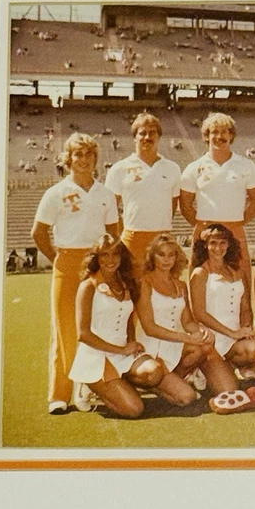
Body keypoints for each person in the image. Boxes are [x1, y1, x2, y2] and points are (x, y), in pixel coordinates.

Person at [32, 133, 119, 414]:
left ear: (96, 159)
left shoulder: (105, 194)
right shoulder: (55, 193)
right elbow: (38, 232)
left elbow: (114, 233)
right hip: (67, 263)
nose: (83, 160)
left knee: (97, 328)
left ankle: (89, 387)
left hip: (97, 265)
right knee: (65, 329)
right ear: (68, 159)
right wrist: (59, 258)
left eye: (89, 155)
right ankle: (59, 394)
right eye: (77, 155)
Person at [67, 235, 167, 418]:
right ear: (96, 257)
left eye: (115, 254)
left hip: (123, 352)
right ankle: (87, 384)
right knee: (135, 409)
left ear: (122, 257)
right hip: (96, 356)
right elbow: (83, 334)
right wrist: (121, 350)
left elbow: (128, 319)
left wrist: (131, 342)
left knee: (154, 373)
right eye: (104, 254)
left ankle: (119, 382)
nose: (110, 260)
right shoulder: (88, 286)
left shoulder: (125, 283)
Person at [136, 233, 234, 398]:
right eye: (161, 255)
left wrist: (202, 331)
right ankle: (150, 384)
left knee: (204, 346)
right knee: (187, 398)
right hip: (151, 346)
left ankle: (178, 378)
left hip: (174, 344)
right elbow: (149, 328)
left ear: (176, 258)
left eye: (171, 255)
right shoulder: (144, 283)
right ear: (152, 257)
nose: (167, 260)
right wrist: (187, 338)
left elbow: (188, 321)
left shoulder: (180, 285)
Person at [179, 112, 255, 283]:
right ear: (206, 136)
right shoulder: (194, 168)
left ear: (231, 135)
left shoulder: (245, 165)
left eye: (225, 131)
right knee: (200, 283)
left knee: (241, 282)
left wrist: (237, 223)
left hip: (235, 231)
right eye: (214, 132)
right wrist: (203, 226)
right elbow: (185, 204)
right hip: (204, 232)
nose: (219, 136)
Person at [105, 112, 182, 269]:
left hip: (163, 239)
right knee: (134, 288)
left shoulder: (172, 168)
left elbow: (172, 205)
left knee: (162, 288)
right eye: (142, 133)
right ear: (135, 137)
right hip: (133, 238)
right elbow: (109, 207)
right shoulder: (120, 169)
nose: (147, 137)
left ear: (159, 137)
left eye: (152, 133)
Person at [189, 223, 255, 377]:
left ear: (229, 245)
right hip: (211, 338)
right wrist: (231, 333)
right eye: (213, 243)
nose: (218, 248)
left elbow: (246, 308)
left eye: (222, 243)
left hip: (234, 338)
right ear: (205, 246)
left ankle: (231, 365)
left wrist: (246, 329)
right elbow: (199, 313)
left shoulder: (238, 272)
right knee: (227, 389)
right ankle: (200, 369)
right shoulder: (200, 273)